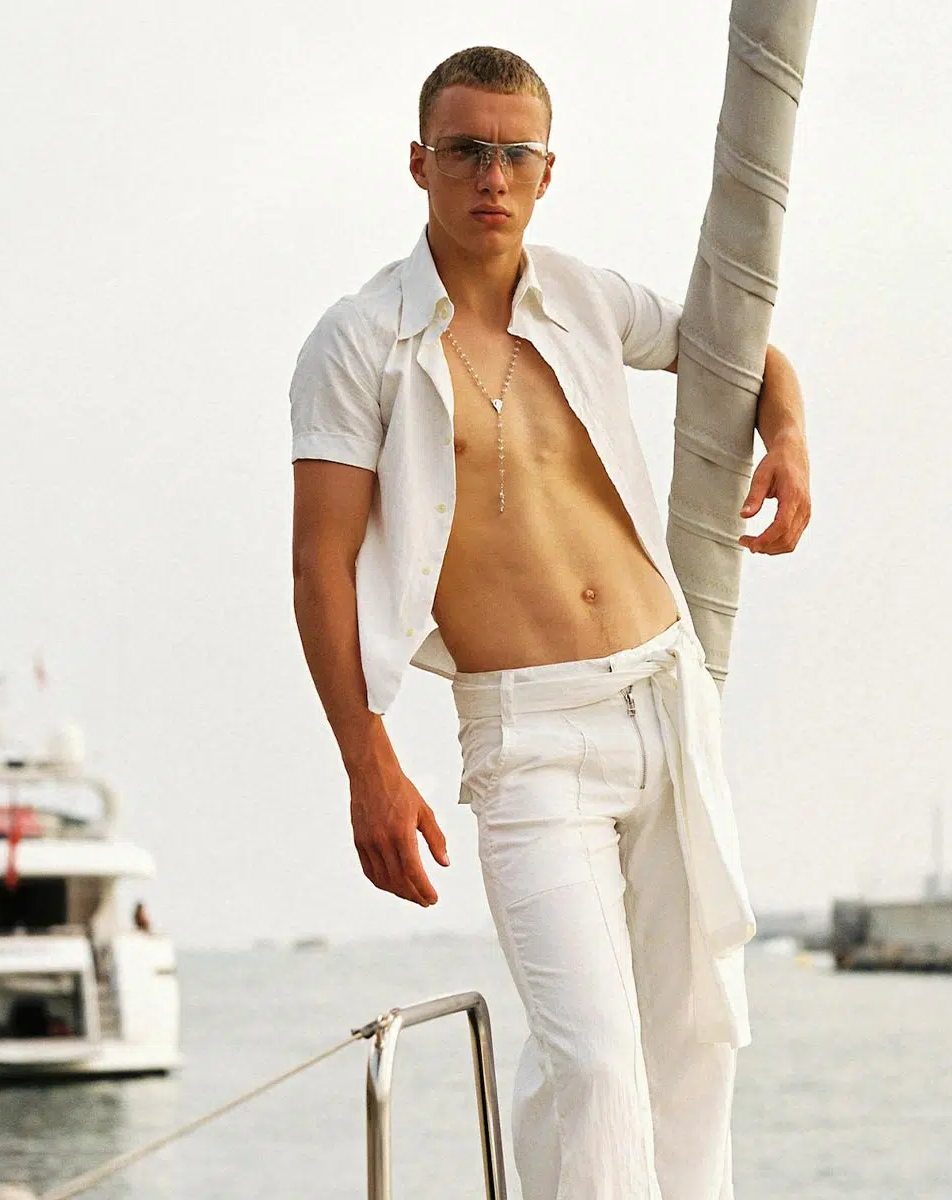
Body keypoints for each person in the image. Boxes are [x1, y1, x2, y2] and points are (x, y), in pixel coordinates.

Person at [290, 46, 809, 1200]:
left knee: (695, 1042)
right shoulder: (360, 340)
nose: (492, 176)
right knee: (594, 1063)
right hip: (528, 739)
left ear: (546, 169)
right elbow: (319, 564)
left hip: (663, 700)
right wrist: (368, 763)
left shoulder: (584, 297)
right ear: (419, 162)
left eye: (514, 153)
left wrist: (787, 436)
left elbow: (744, 348)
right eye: (466, 150)